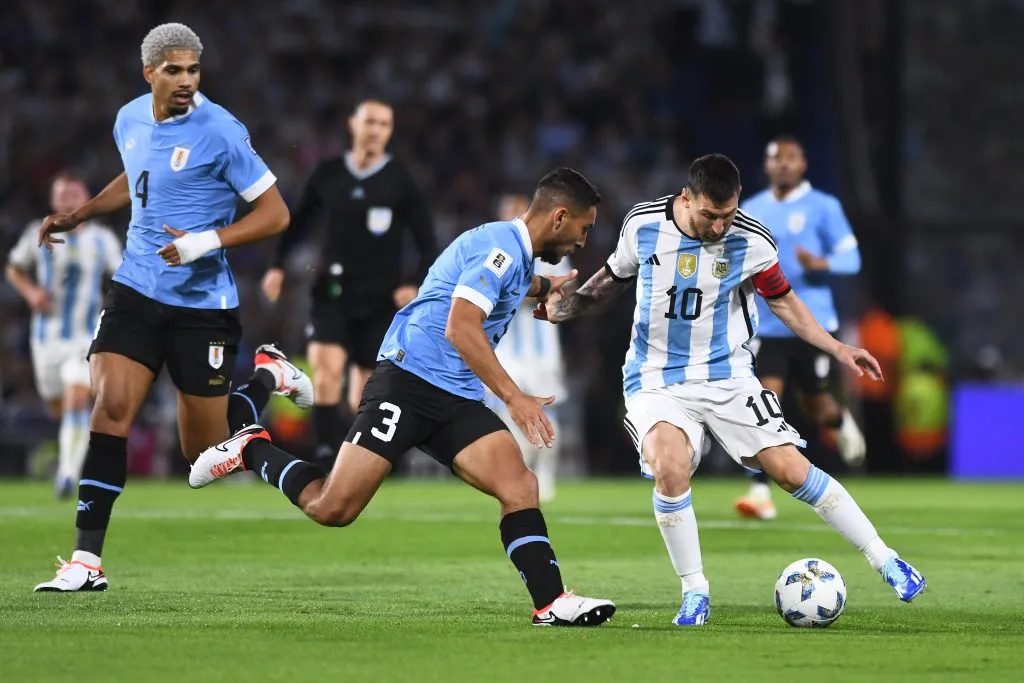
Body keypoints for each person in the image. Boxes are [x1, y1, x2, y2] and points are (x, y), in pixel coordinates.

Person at [191, 168, 616, 627]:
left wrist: (543, 287)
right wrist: (514, 397)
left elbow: (502, 285)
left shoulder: (514, 256)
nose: (582, 240)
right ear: (559, 217)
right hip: (409, 382)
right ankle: (253, 449)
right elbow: (460, 327)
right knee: (333, 509)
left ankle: (550, 602)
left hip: (456, 396)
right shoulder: (501, 248)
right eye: (583, 228)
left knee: (520, 487)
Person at [535, 154, 925, 626]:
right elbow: (610, 283)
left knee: (790, 470)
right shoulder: (643, 226)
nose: (720, 226)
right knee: (669, 465)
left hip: (728, 375)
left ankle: (886, 560)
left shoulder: (753, 240)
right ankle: (695, 592)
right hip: (656, 377)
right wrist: (564, 308)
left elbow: (784, 302)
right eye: (709, 215)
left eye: (727, 215)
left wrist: (838, 347)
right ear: (686, 199)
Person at [33, 23, 313, 593]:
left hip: (202, 307)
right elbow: (137, 177)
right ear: (149, 73)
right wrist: (82, 213)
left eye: (193, 70)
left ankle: (265, 374)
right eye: (174, 71)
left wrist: (204, 241)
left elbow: (276, 213)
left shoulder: (222, 132)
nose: (186, 81)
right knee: (109, 407)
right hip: (135, 290)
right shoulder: (129, 118)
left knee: (202, 454)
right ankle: (87, 561)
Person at [261, 99, 437, 469]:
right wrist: (277, 266)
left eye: (384, 124)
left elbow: (426, 240)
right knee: (325, 373)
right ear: (352, 124)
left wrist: (414, 283)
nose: (376, 130)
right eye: (370, 121)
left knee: (363, 391)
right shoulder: (328, 174)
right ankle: (325, 457)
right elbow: (298, 224)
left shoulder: (399, 180)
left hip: (381, 299)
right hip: (333, 292)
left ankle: (356, 463)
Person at [734, 136, 867, 520]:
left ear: (803, 164)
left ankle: (838, 419)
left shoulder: (824, 207)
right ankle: (760, 492)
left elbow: (852, 258)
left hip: (812, 326)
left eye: (791, 158)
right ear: (767, 165)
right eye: (776, 159)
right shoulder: (752, 209)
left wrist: (820, 265)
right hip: (765, 326)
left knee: (816, 406)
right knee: (763, 399)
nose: (784, 165)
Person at [5, 171, 123, 499]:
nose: (69, 198)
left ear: (87, 197)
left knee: (76, 397)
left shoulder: (102, 239)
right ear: (53, 200)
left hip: (85, 337)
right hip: (46, 340)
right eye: (63, 193)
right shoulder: (36, 232)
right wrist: (30, 293)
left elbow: (122, 276)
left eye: (75, 192)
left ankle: (67, 476)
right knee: (60, 407)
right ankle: (70, 450)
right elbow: (13, 268)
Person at [483, 193, 571, 502]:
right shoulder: (496, 252)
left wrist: (519, 291)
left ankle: (546, 473)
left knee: (548, 412)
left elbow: (557, 293)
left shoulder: (551, 251)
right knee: (509, 412)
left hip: (543, 350)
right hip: (506, 351)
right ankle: (520, 472)